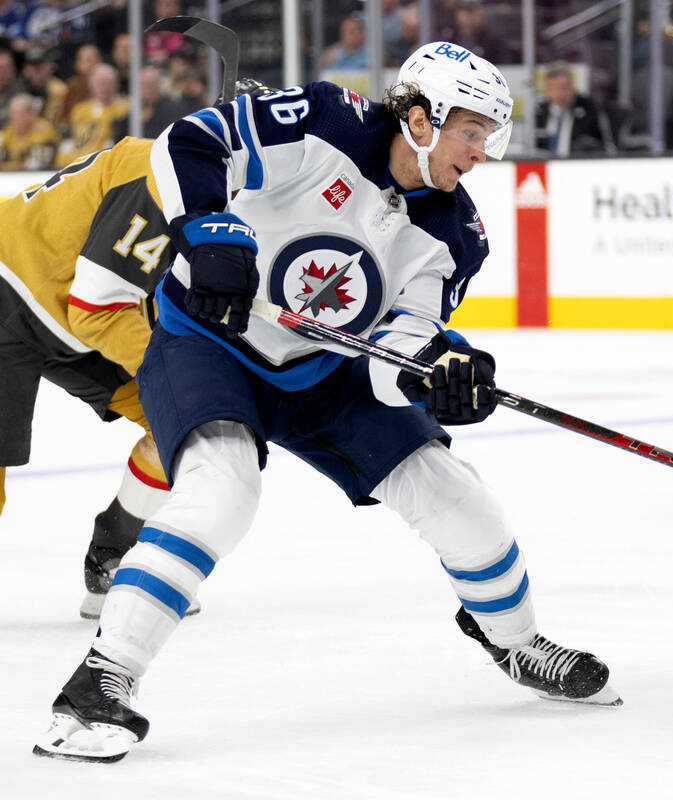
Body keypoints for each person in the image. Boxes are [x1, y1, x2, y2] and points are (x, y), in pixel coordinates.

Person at [33, 40, 619, 764]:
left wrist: (439, 370)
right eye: (472, 131)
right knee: (222, 490)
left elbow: (397, 351)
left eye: (490, 137)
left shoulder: (456, 237)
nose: (482, 153)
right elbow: (191, 142)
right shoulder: (324, 119)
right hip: (208, 341)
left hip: (328, 373)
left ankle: (518, 642)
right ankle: (99, 683)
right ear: (421, 117)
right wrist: (206, 229)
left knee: (455, 493)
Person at [0, 136, 180, 621]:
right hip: (12, 288)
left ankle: (113, 558)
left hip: (66, 310)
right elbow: (98, 312)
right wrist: (178, 373)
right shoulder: (162, 177)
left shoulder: (210, 185)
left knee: (180, 424)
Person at [534, 63, 616, 157]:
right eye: (553, 88)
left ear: (572, 87)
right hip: (546, 163)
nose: (559, 94)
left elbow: (605, 144)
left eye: (563, 87)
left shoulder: (589, 109)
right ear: (546, 91)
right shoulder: (539, 112)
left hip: (579, 163)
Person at [56, 62, 129, 167]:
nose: (104, 87)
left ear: (116, 84)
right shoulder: (80, 109)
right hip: (78, 158)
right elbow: (73, 137)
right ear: (91, 85)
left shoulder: (123, 108)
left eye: (107, 83)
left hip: (104, 161)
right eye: (99, 83)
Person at [0, 91, 59, 169]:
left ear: (31, 114)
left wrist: (7, 165)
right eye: (12, 114)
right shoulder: (8, 131)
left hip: (42, 174)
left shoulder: (44, 130)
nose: (13, 118)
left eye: (19, 114)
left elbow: (36, 164)